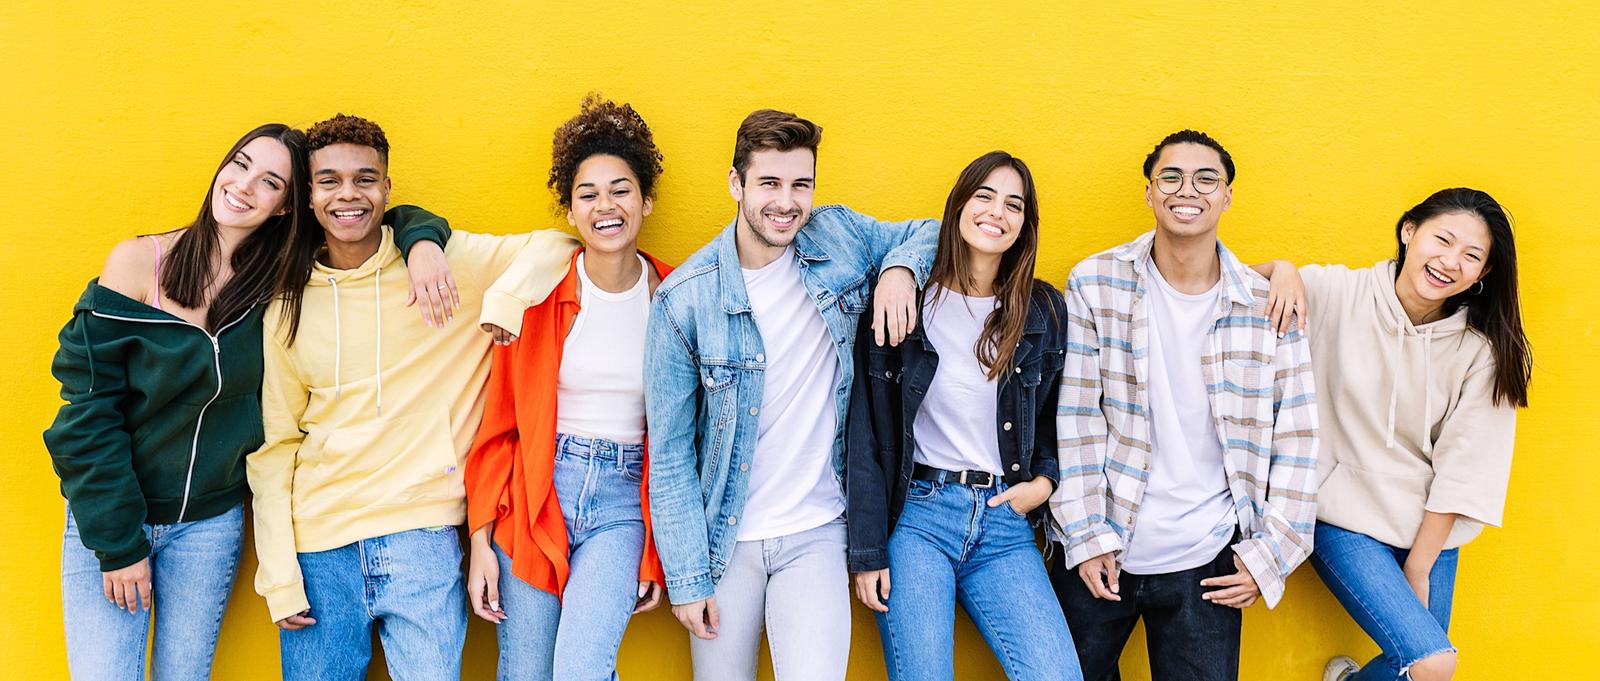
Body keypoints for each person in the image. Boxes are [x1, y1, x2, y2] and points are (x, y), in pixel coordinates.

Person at [43, 123, 454, 680]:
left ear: (288, 206)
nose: (242, 187)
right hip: (115, 516)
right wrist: (117, 543)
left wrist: (423, 242)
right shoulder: (140, 263)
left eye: (270, 182)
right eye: (238, 164)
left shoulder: (277, 281)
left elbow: (378, 218)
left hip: (207, 527)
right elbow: (86, 414)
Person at [246, 113, 580, 680]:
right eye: (328, 181)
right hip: (319, 547)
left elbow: (560, 243)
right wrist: (279, 573)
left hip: (422, 538)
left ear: (386, 188)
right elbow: (277, 446)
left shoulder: (446, 265)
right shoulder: (288, 306)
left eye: (364, 178)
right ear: (307, 197)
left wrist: (502, 302)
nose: (348, 195)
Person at [644, 108, 938, 681]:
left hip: (819, 529)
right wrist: (686, 576)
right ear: (736, 184)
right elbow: (671, 451)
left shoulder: (838, 236)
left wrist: (899, 271)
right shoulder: (684, 301)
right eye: (769, 183)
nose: (786, 203)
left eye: (800, 184)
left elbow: (926, 231)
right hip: (725, 543)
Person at [1048, 130, 1319, 681]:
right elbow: (1077, 418)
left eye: (1205, 178)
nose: (1186, 190)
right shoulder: (1096, 282)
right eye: (1170, 177)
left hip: (1209, 558)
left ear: (1226, 196)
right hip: (1105, 545)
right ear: (1149, 192)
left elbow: (1297, 436)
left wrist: (1270, 555)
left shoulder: (1267, 304)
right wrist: (1086, 535)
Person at [1274, 189, 1529, 681]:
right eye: (1443, 239)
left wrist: (1418, 566)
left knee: (1422, 673)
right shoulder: (1336, 293)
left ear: (1483, 274)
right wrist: (1282, 267)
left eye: (1471, 256)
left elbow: (1463, 470)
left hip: (1429, 524)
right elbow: (1228, 284)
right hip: (1340, 513)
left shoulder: (1481, 351)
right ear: (1409, 231)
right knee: (1433, 663)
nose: (1450, 262)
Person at [846, 151, 1082, 681]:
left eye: (1014, 204)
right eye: (985, 196)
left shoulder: (1041, 310)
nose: (998, 212)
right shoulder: (904, 304)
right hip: (918, 520)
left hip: (1004, 517)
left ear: (1025, 224)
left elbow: (1056, 419)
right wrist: (867, 550)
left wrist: (1045, 481)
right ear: (958, 205)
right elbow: (866, 435)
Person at [463, 95, 671, 681]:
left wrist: (656, 550)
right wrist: (480, 541)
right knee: (525, 671)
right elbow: (497, 426)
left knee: (582, 668)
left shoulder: (676, 298)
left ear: (646, 200)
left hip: (623, 504)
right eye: (588, 194)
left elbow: (683, 440)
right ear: (572, 212)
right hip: (536, 493)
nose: (606, 205)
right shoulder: (535, 298)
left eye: (621, 189)